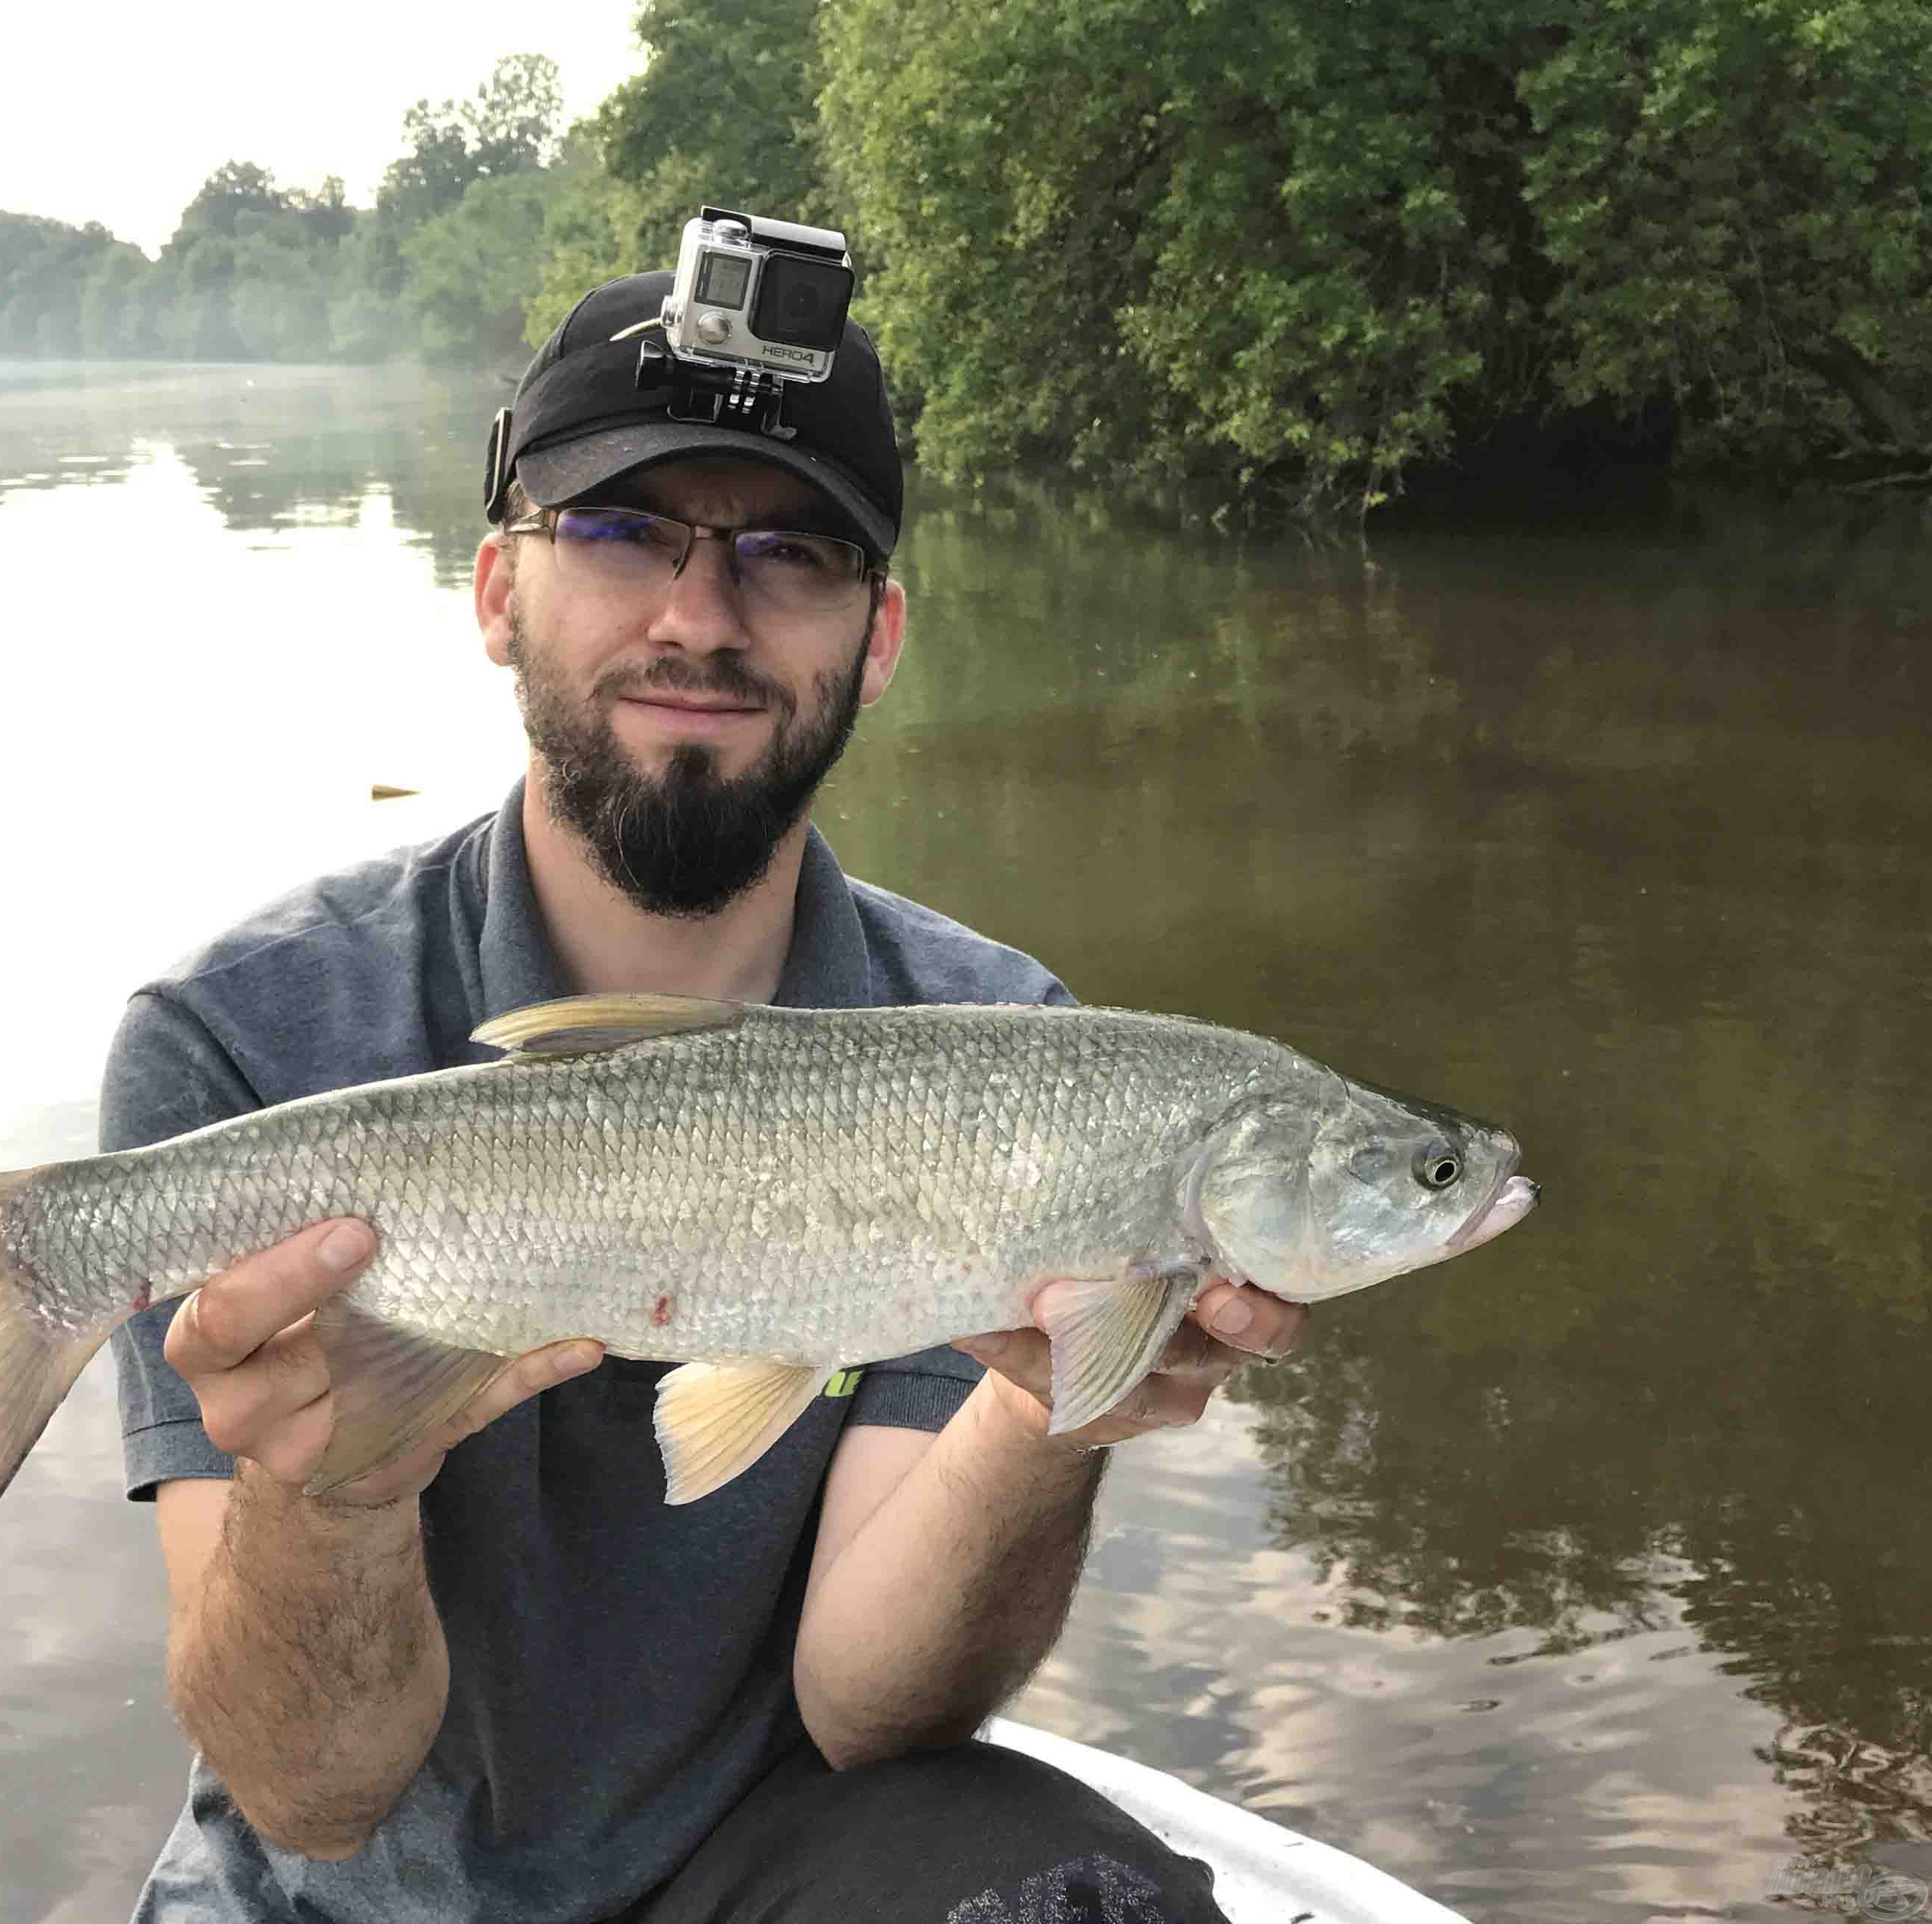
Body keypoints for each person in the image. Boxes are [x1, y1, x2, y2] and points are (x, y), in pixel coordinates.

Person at [99, 270, 1309, 1924]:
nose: (701, 615)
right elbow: (314, 1796)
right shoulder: (243, 1042)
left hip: (767, 1864)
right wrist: (339, 1487)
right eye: (620, 532)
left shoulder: (1007, 1054)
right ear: (496, 593)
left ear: (876, 640)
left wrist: (1049, 1408)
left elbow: (867, 1709)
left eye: (790, 551)